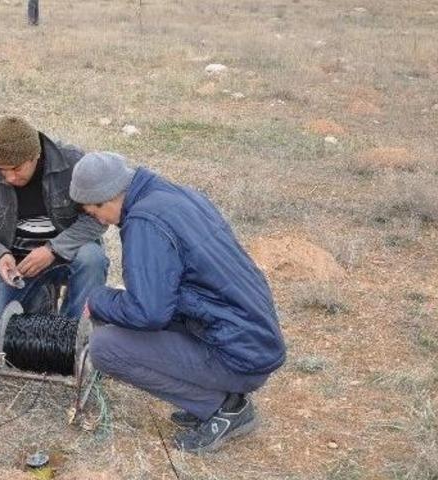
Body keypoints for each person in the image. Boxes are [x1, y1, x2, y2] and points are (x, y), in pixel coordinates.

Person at [69, 152, 287, 454]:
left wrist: (98, 299)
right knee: (125, 315)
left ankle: (223, 408)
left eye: (94, 213)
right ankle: (215, 395)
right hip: (251, 338)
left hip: (239, 356)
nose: (100, 222)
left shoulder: (144, 222)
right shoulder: (176, 196)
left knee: (105, 347)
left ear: (106, 199)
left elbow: (148, 313)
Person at [0, 116, 109, 336]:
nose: (10, 177)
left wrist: (53, 250)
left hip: (67, 256)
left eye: (16, 168)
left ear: (35, 155)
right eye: (2, 170)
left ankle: (71, 334)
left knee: (92, 258)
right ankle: (40, 297)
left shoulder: (73, 164)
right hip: (16, 266)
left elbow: (99, 217)